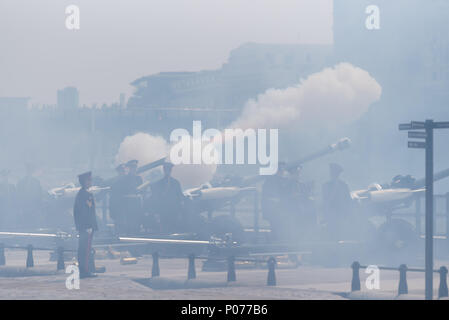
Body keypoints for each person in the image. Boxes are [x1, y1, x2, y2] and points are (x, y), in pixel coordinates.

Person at [73, 171, 98, 278]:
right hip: (86, 227)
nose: (91, 182)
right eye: (89, 180)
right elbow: (85, 212)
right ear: (85, 182)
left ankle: (84, 270)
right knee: (86, 250)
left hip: (84, 226)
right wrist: (88, 226)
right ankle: (85, 271)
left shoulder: (83, 194)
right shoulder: (85, 195)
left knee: (84, 249)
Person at [150, 161, 185, 233]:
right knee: (164, 230)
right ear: (164, 170)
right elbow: (156, 199)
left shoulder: (176, 182)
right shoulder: (158, 184)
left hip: (173, 210)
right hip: (163, 210)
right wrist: (156, 212)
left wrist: (180, 210)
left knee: (173, 229)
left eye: (169, 169)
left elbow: (180, 197)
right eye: (166, 169)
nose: (168, 171)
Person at [321, 163, 354, 240]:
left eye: (336, 174)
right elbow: (326, 200)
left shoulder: (344, 185)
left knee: (342, 234)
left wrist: (348, 213)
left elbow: (348, 200)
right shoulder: (326, 186)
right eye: (333, 173)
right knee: (331, 234)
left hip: (342, 214)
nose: (334, 175)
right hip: (331, 214)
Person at [261, 161, 291, 241]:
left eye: (283, 169)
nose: (282, 171)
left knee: (281, 228)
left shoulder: (282, 180)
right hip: (274, 211)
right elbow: (268, 197)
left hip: (281, 210)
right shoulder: (270, 181)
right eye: (280, 169)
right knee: (276, 228)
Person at [16, 163, 43, 229]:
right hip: (24, 206)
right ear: (27, 170)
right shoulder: (21, 182)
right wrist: (19, 207)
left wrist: (38, 206)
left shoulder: (36, 182)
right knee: (25, 224)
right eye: (29, 169)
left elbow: (39, 195)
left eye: (31, 169)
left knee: (33, 224)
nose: (30, 171)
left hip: (34, 207)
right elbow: (18, 195)